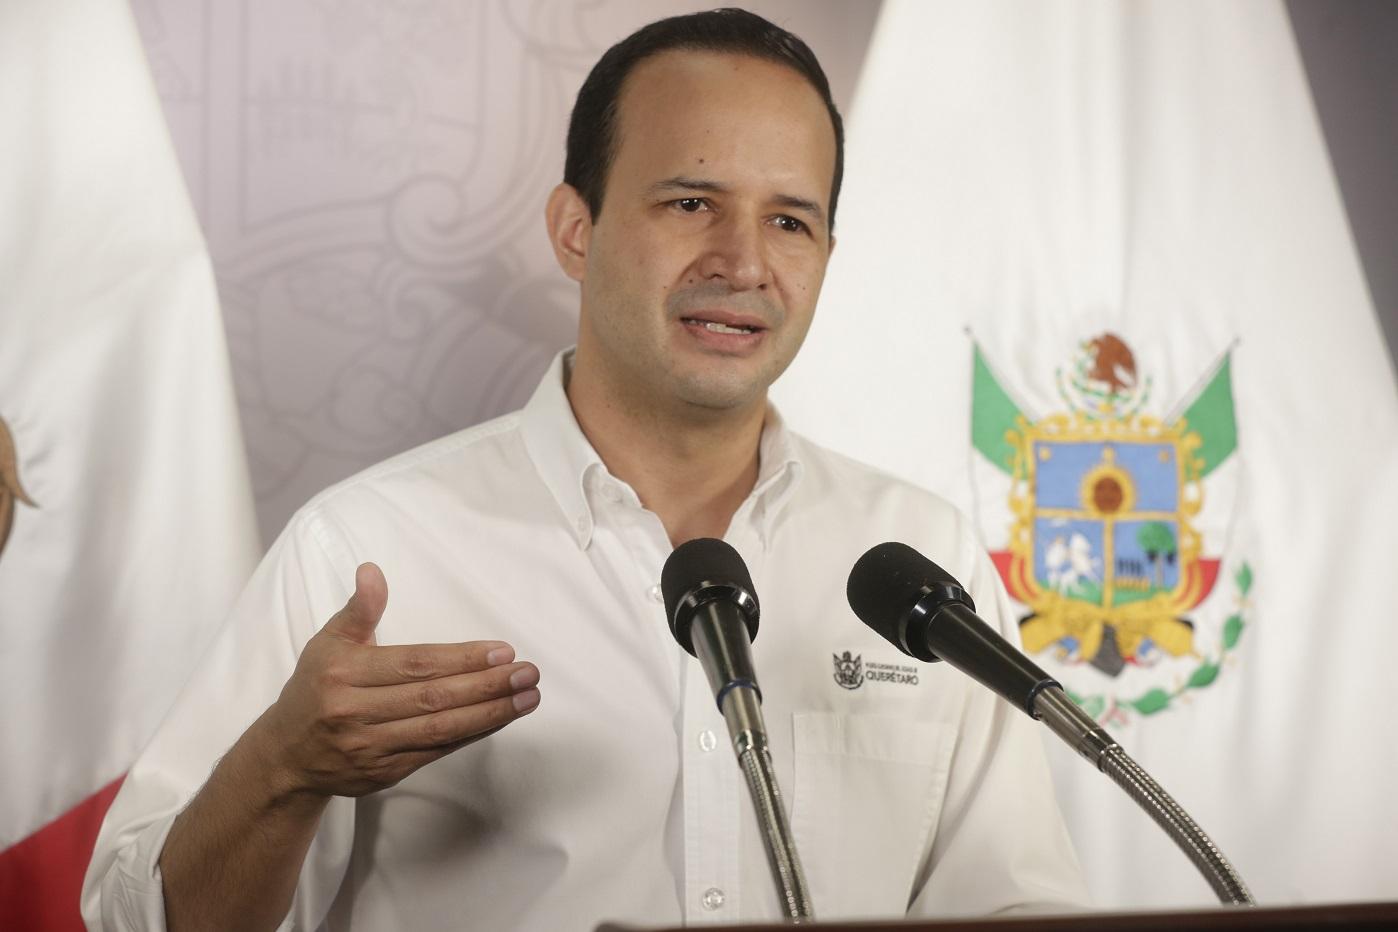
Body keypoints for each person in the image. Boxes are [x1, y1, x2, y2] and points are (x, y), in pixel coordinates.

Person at [84, 9, 1090, 930]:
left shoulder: (917, 561)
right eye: (692, 201)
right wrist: (284, 769)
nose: (744, 261)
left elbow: (1012, 899)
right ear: (577, 228)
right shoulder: (365, 551)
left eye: (790, 219)